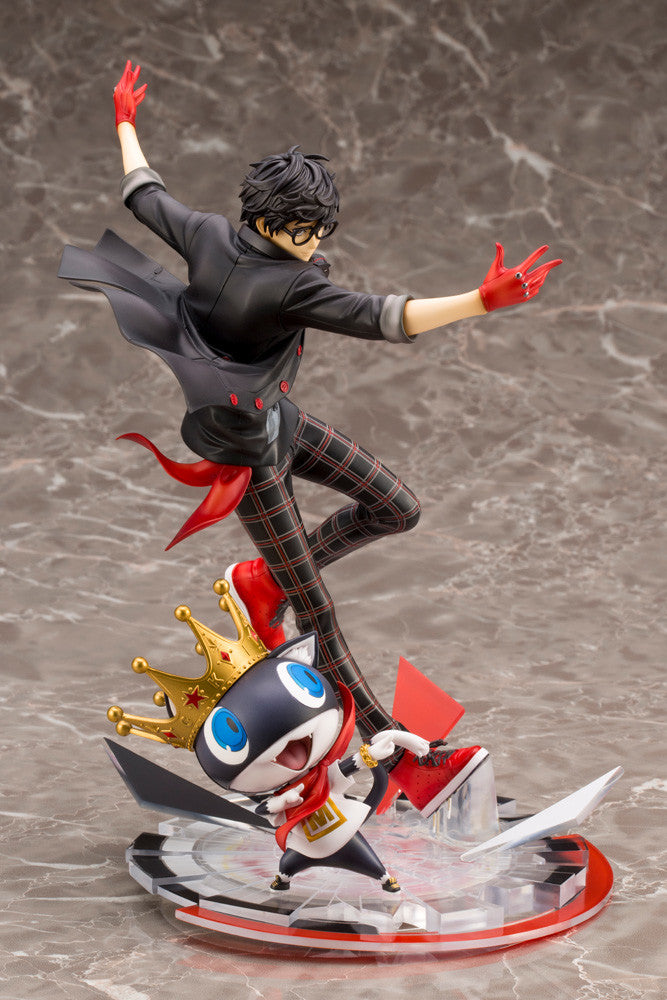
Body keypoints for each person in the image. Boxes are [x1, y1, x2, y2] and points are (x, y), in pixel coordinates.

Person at [60, 62, 561, 816]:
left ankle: (261, 580)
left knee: (396, 506)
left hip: (274, 420)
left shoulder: (207, 234)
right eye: (310, 230)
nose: (317, 241)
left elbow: (142, 192)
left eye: (322, 229)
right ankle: (401, 757)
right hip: (245, 457)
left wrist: (125, 120)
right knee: (317, 613)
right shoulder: (288, 284)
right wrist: (480, 301)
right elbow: (381, 316)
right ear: (277, 222)